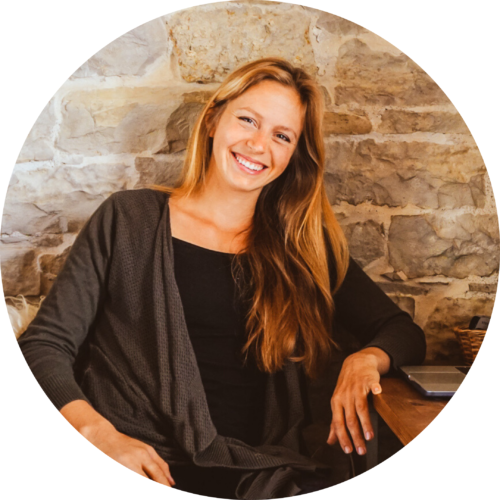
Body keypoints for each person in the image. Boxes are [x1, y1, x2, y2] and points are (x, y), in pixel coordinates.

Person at [18, 57, 426, 499]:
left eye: (282, 136)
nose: (258, 144)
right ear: (213, 120)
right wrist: (100, 437)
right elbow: (45, 344)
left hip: (257, 472)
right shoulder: (128, 219)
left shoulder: (303, 248)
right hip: (137, 462)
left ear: (294, 156)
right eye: (248, 120)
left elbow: (401, 331)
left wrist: (365, 360)